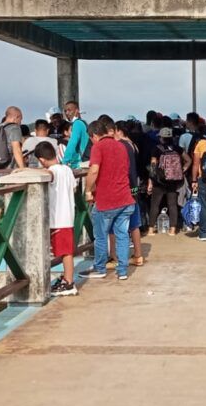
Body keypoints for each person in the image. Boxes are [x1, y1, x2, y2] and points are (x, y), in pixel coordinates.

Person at [80, 120, 135, 281]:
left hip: (106, 201)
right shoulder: (121, 146)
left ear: (95, 135)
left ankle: (100, 267)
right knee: (123, 235)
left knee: (101, 236)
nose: (92, 142)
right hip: (125, 198)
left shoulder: (98, 147)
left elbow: (94, 170)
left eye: (91, 138)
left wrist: (88, 190)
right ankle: (123, 270)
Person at [35, 141, 78, 297]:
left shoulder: (52, 171)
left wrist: (25, 169)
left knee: (66, 252)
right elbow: (73, 188)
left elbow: (50, 175)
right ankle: (66, 279)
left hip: (58, 218)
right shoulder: (66, 169)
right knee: (65, 250)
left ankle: (69, 282)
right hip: (68, 215)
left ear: (41, 160)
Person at [111, 121, 145, 268]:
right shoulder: (133, 145)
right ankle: (138, 255)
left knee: (114, 224)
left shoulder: (122, 145)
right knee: (134, 224)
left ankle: (114, 257)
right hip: (134, 187)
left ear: (118, 131)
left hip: (125, 188)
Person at [148, 127, 188, 235]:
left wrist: (151, 180)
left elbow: (153, 165)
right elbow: (189, 160)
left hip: (159, 181)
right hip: (173, 181)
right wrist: (182, 170)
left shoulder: (156, 149)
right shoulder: (177, 148)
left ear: (161, 137)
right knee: (172, 205)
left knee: (155, 205)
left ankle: (151, 229)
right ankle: (173, 230)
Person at [0, 106, 26, 170]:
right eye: (21, 119)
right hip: (8, 171)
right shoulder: (14, 128)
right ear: (16, 117)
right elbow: (16, 149)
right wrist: (23, 168)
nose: (20, 122)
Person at [61, 101, 89, 168]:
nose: (67, 113)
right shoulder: (83, 123)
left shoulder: (77, 124)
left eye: (69, 110)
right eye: (65, 111)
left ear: (77, 111)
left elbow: (73, 142)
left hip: (81, 164)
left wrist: (64, 161)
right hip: (85, 162)